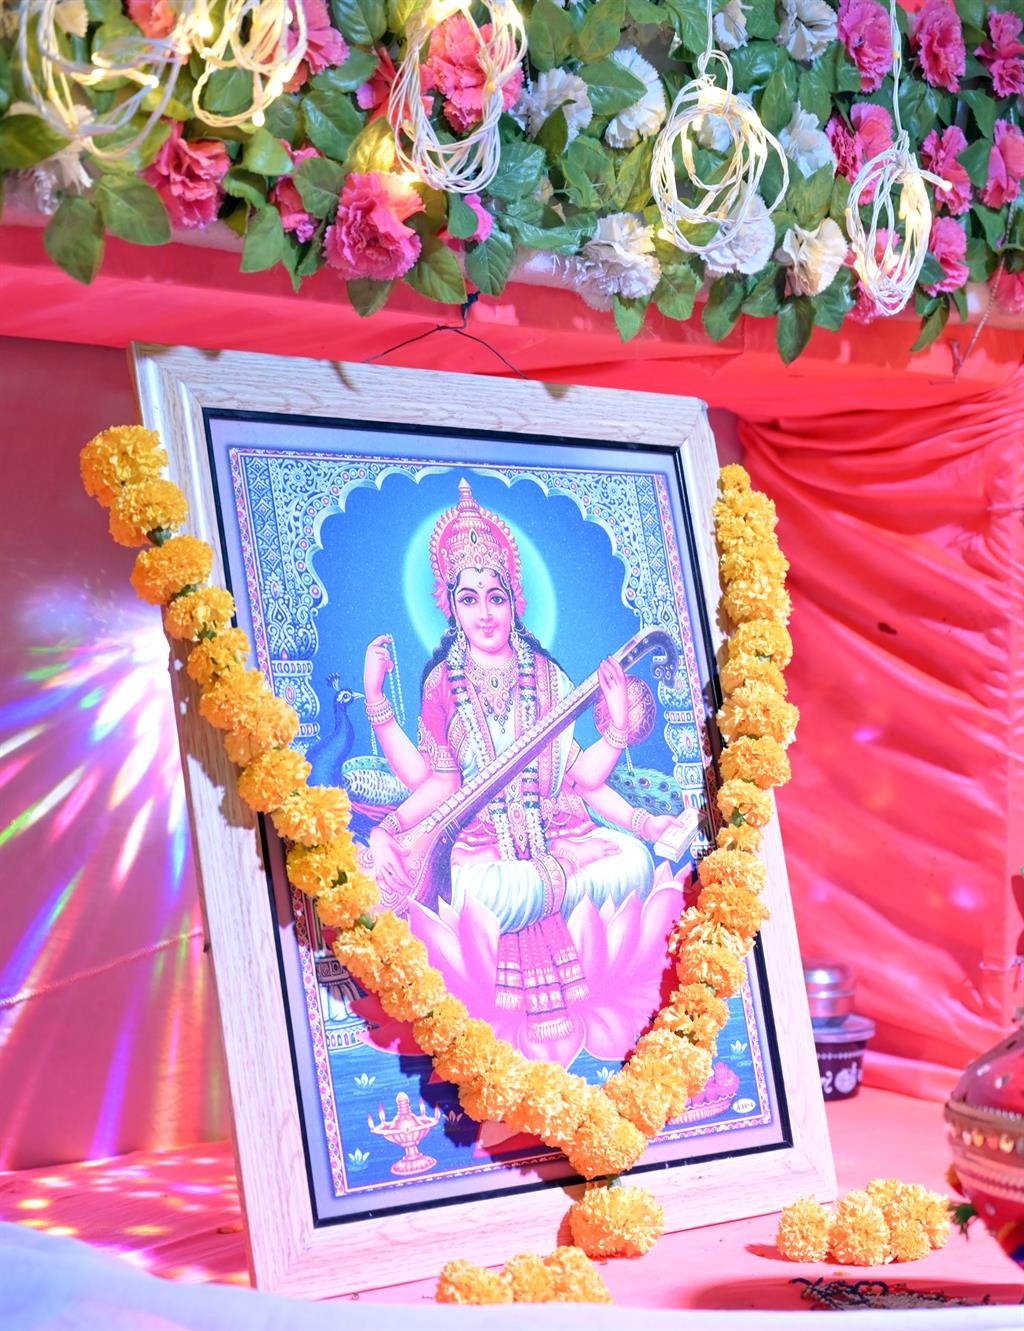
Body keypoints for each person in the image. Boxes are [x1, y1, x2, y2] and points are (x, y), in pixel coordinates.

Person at [361, 479, 677, 1042]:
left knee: (631, 861)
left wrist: (632, 780)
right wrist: (388, 826)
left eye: (496, 597)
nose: (485, 614)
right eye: (469, 599)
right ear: (450, 606)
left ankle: (561, 873)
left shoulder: (549, 677)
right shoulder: (442, 684)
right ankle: (560, 876)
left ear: (515, 602)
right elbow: (439, 784)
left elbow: (583, 780)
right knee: (481, 896)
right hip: (486, 853)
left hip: (552, 833)